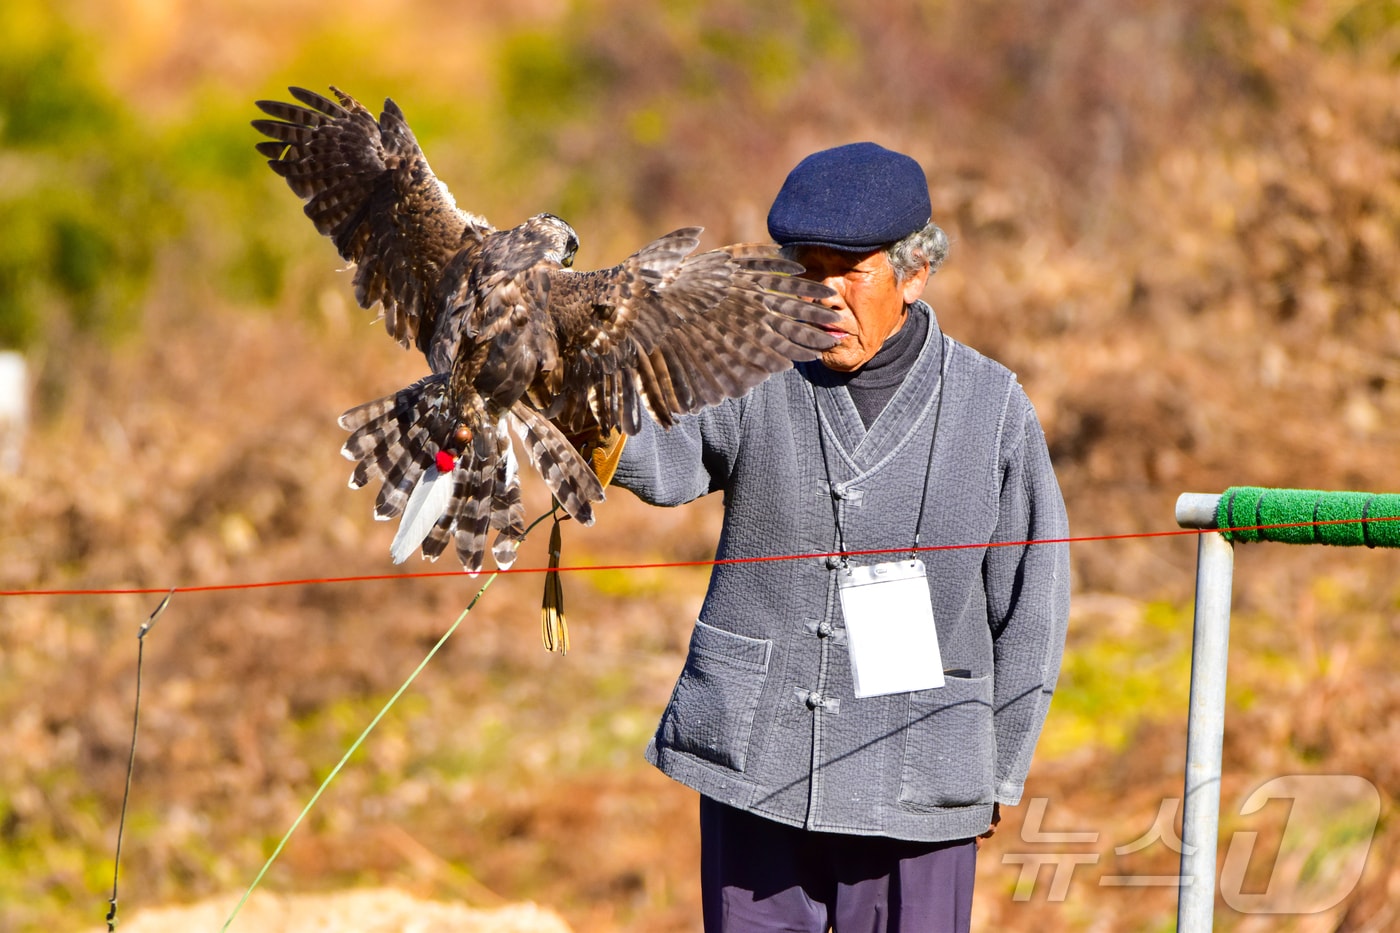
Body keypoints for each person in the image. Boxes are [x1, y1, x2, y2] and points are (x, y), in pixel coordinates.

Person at [611, 142, 1071, 932]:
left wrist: (997, 769)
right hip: (758, 767)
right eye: (805, 271)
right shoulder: (751, 370)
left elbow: (1033, 602)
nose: (823, 296)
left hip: (917, 779)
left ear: (914, 273)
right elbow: (667, 461)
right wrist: (564, 395)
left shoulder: (991, 406)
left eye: (848, 273)